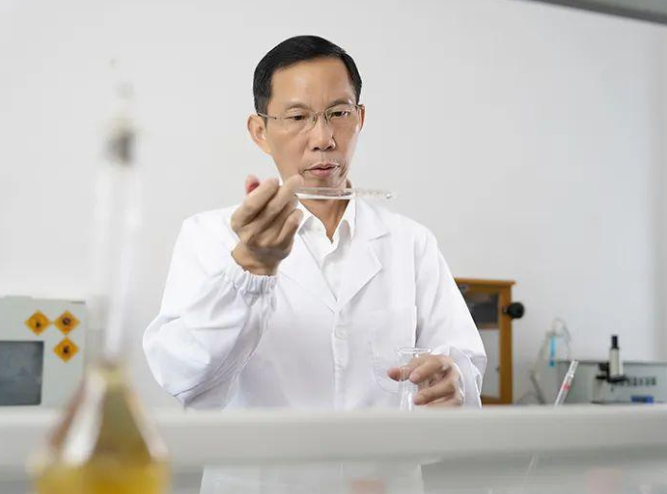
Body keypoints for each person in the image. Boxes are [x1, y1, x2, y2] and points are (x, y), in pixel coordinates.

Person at [143, 35, 486, 410]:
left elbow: (463, 369)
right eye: (297, 117)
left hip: (384, 452)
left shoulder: (411, 242)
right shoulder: (209, 236)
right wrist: (249, 268)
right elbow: (181, 376)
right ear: (260, 132)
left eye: (338, 113)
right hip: (264, 452)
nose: (323, 139)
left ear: (360, 118)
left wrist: (454, 382)